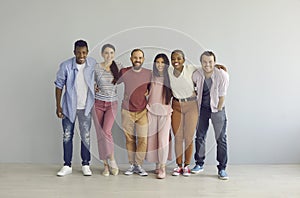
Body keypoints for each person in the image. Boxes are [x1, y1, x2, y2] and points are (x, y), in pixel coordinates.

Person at [55, 40, 96, 176]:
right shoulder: (66, 66)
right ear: (74, 52)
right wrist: (58, 106)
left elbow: (100, 79)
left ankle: (86, 164)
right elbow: (59, 85)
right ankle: (67, 165)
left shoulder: (92, 65)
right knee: (67, 136)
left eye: (84, 52)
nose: (81, 55)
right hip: (69, 107)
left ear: (87, 52)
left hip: (86, 107)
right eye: (78, 52)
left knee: (86, 136)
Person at [191, 51, 230, 180]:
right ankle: (199, 164)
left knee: (221, 139)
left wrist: (217, 110)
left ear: (214, 62)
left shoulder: (222, 75)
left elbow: (222, 95)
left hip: (217, 109)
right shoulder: (197, 74)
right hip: (202, 109)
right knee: (200, 137)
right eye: (204, 62)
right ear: (201, 62)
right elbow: (193, 88)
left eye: (210, 62)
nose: (207, 64)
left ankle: (222, 168)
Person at [118, 49, 152, 176]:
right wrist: (96, 85)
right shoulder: (125, 72)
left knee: (143, 139)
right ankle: (132, 165)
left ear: (143, 59)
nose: (137, 60)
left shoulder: (149, 73)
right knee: (130, 139)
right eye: (135, 57)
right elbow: (112, 81)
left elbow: (152, 88)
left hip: (142, 111)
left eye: (140, 57)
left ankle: (138, 165)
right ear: (131, 58)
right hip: (127, 111)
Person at [168, 50, 199, 177]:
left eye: (179, 59)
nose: (176, 61)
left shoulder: (191, 68)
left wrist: (219, 66)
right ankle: (178, 165)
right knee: (178, 137)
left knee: (189, 137)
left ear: (184, 59)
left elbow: (207, 68)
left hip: (191, 106)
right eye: (173, 59)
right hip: (176, 106)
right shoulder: (169, 71)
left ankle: (186, 166)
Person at [93, 44, 122, 176]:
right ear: (102, 54)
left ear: (114, 54)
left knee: (106, 131)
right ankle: (105, 166)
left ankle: (112, 160)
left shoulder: (119, 66)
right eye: (106, 53)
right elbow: (88, 81)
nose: (108, 55)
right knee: (100, 134)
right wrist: (93, 86)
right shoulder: (96, 67)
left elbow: (131, 77)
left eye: (111, 53)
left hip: (111, 104)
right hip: (97, 103)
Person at [146, 53, 173, 179]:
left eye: (162, 62)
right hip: (151, 112)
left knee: (163, 141)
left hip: (165, 113)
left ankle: (162, 166)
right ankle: (157, 165)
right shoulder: (150, 76)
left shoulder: (171, 77)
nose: (160, 64)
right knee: (153, 141)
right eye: (158, 62)